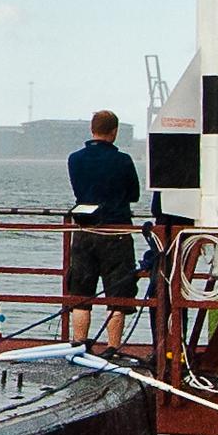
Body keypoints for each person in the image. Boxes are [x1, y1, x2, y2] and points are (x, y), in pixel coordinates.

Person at [63, 111, 143, 345]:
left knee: (80, 292)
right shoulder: (123, 160)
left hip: (84, 230)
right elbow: (134, 194)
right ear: (114, 132)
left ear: (92, 129)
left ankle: (79, 343)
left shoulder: (75, 159)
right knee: (119, 294)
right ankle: (112, 347)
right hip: (116, 231)